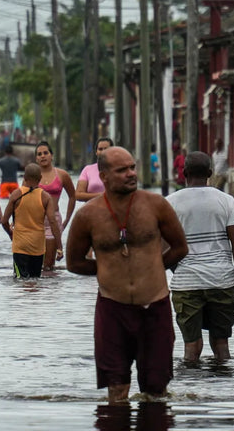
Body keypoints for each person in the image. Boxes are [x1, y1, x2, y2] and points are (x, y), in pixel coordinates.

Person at [65, 147, 188, 404]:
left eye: (133, 167)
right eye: (122, 170)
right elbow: (74, 263)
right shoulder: (88, 215)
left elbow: (180, 247)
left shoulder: (156, 205)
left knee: (156, 391)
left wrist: (154, 266)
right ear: (104, 176)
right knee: (117, 390)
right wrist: (107, 270)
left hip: (155, 306)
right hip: (112, 309)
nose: (131, 174)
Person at [167, 151, 234, 364]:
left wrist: (176, 271)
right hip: (221, 281)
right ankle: (222, 392)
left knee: (191, 347)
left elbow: (162, 249)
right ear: (210, 173)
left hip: (186, 284)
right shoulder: (226, 201)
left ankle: (192, 392)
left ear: (184, 173)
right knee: (221, 344)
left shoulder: (170, 203)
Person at [2, 162, 61, 279]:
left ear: (24, 178)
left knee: (21, 281)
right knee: (35, 281)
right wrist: (59, 247)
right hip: (38, 248)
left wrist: (11, 233)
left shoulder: (16, 194)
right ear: (40, 178)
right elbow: (53, 223)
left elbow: (4, 221)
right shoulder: (45, 197)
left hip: (20, 246)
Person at [34, 141, 76, 271]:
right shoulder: (32, 175)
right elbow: (21, 198)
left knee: (48, 265)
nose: (43, 156)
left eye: (45, 153)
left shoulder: (62, 175)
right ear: (36, 158)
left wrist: (67, 219)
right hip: (35, 221)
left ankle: (51, 290)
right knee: (35, 263)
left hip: (53, 222)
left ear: (52, 156)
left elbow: (72, 196)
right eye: (39, 154)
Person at [75, 137, 112, 204]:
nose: (103, 151)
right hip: (91, 211)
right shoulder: (87, 170)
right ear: (96, 152)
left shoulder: (118, 169)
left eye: (106, 149)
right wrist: (102, 196)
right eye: (100, 149)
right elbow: (78, 195)